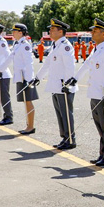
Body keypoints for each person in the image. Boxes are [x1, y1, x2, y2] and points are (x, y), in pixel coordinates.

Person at [69, 19, 104, 166]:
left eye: (95, 31)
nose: (92, 33)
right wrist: (75, 78)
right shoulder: (96, 49)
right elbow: (86, 64)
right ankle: (103, 153)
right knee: (100, 127)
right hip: (95, 94)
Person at [35, 19, 78, 149]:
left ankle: (70, 140)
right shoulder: (55, 45)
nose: (50, 31)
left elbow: (70, 67)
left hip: (64, 87)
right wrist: (37, 77)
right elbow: (47, 64)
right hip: (56, 86)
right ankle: (64, 138)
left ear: (61, 31)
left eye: (53, 29)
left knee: (66, 113)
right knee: (60, 114)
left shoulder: (65, 46)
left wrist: (67, 84)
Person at [3, 23, 38, 134]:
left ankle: (30, 126)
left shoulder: (25, 45)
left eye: (14, 31)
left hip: (25, 78)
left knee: (28, 102)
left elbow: (29, 63)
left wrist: (29, 79)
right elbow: (10, 58)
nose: (12, 33)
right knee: (25, 102)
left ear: (20, 32)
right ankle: (28, 124)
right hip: (20, 77)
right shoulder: (17, 44)